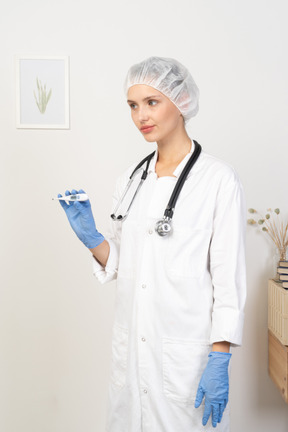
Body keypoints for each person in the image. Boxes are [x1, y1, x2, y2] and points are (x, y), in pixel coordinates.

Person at [58, 56, 246, 431]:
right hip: (133, 359)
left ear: (183, 102)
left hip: (184, 363)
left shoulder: (218, 180)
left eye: (152, 102)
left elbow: (228, 281)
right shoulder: (132, 178)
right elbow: (123, 264)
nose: (141, 115)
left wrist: (220, 357)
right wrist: (93, 239)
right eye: (133, 105)